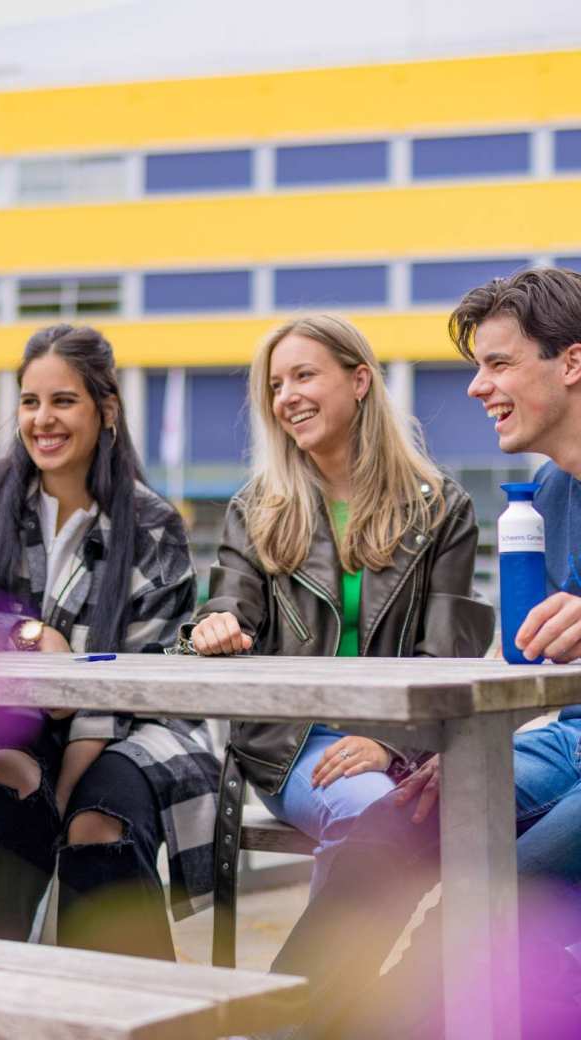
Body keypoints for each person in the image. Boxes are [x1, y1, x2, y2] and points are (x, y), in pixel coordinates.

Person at [271, 269, 581, 1040]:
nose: (477, 387)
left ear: (572, 363)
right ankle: (281, 1027)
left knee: (503, 890)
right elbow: (529, 663)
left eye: (499, 363)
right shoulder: (549, 494)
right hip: (566, 744)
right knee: (390, 828)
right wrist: (471, 750)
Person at [0, 323, 221, 961]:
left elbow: (148, 669)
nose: (42, 419)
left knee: (96, 824)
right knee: (4, 777)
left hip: (136, 722)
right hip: (12, 711)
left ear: (106, 410)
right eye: (30, 401)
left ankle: (130, 1006)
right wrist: (26, 635)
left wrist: (66, 795)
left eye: (63, 401)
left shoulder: (152, 524)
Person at [185, 314, 494, 913]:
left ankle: (338, 979)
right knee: (371, 812)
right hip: (292, 742)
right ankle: (325, 977)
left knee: (473, 821)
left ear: (359, 381)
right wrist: (215, 625)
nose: (286, 397)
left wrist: (389, 740)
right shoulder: (256, 510)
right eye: (275, 385)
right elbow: (230, 603)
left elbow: (447, 652)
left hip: (402, 737)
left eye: (303, 376)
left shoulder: (441, 507)